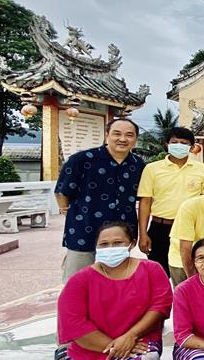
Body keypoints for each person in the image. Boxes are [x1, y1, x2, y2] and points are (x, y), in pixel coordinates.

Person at [56, 221, 172, 360]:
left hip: (140, 342)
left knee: (146, 359)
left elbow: (160, 306)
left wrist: (131, 336)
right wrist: (116, 345)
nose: (110, 248)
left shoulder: (151, 269)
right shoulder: (80, 280)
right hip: (93, 349)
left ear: (131, 243)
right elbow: (74, 323)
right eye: (104, 244)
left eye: (117, 242)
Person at [55, 117, 145, 283]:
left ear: (135, 139)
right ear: (106, 135)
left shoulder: (138, 165)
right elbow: (62, 191)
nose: (123, 139)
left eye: (129, 135)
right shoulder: (82, 160)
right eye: (117, 134)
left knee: (115, 281)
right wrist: (66, 211)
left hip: (122, 234)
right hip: (84, 229)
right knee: (76, 281)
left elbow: (144, 197)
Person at [136, 126, 204, 276]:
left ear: (192, 147)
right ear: (167, 144)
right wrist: (142, 234)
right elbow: (145, 202)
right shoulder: (152, 169)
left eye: (184, 143)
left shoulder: (202, 169)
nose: (179, 145)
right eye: (175, 142)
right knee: (158, 275)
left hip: (190, 229)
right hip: (160, 228)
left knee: (191, 273)